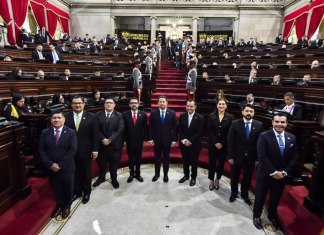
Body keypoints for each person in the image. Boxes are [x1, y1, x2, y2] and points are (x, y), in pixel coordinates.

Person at [253, 113, 298, 230]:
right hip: (265, 174)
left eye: (282, 122)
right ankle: (256, 216)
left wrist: (285, 172)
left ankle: (272, 216)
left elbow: (294, 157)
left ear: (286, 123)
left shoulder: (292, 137)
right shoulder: (264, 136)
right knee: (260, 197)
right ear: (272, 122)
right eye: (277, 122)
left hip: (282, 176)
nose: (279, 124)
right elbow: (262, 156)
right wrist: (274, 172)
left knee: (275, 198)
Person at [38, 110, 77, 220]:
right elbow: (41, 151)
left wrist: (60, 165)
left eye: (59, 118)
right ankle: (60, 205)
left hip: (67, 167)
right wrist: (50, 164)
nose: (56, 120)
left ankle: (67, 206)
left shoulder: (71, 132)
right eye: (54, 118)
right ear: (51, 120)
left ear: (64, 120)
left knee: (68, 188)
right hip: (51, 168)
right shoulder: (45, 132)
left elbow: (72, 150)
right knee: (56, 188)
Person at [64, 96, 98, 204]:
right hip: (70, 152)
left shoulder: (92, 117)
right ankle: (77, 192)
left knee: (86, 172)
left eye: (79, 103)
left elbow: (95, 135)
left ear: (84, 104)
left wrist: (95, 149)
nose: (77, 105)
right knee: (74, 172)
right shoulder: (65, 117)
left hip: (86, 150)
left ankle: (87, 192)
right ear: (71, 104)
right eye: (75, 103)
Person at [227, 104, 263, 205]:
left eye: (251, 111)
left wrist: (257, 159)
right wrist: (230, 156)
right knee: (234, 176)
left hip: (251, 158)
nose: (248, 113)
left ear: (254, 113)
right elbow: (230, 141)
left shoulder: (259, 125)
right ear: (242, 112)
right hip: (236, 157)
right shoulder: (235, 123)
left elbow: (259, 144)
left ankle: (244, 194)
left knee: (247, 177)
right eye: (247, 111)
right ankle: (233, 193)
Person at [93, 98, 125, 189]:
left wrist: (110, 139)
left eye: (111, 103)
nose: (109, 104)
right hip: (101, 145)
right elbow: (96, 129)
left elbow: (119, 130)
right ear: (104, 104)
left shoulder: (119, 115)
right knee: (101, 164)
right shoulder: (97, 115)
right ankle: (101, 178)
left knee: (114, 165)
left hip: (115, 146)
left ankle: (114, 179)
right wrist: (103, 139)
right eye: (107, 103)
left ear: (114, 105)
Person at [149, 96, 177, 183]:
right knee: (157, 158)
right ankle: (156, 174)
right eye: (160, 101)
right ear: (157, 103)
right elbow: (150, 127)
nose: (161, 103)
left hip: (167, 140)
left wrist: (174, 140)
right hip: (156, 140)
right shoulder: (153, 113)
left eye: (163, 101)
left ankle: (165, 175)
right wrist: (150, 138)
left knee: (166, 159)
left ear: (167, 103)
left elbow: (175, 128)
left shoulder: (172, 113)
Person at [207, 99, 233, 190]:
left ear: (226, 106)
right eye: (220, 104)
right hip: (212, 145)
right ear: (217, 105)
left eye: (223, 104)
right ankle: (211, 180)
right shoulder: (211, 116)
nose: (221, 106)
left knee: (221, 163)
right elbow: (209, 130)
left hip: (224, 145)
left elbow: (230, 133)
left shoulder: (230, 117)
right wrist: (215, 142)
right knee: (212, 163)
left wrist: (222, 143)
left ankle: (217, 179)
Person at [178, 100, 204, 186]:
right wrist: (184, 140)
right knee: (185, 161)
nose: (189, 108)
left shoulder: (200, 117)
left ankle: (193, 177)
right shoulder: (182, 116)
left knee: (194, 162)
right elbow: (180, 130)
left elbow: (199, 132)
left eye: (191, 106)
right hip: (183, 143)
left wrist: (190, 141)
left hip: (195, 144)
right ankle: (186, 176)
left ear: (195, 107)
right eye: (188, 106)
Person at [122, 98, 148, 183]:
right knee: (131, 158)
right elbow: (123, 129)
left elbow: (145, 128)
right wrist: (124, 140)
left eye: (135, 103)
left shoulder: (143, 114)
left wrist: (145, 139)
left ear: (138, 104)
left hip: (139, 141)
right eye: (132, 103)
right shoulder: (124, 114)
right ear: (129, 105)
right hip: (129, 141)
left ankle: (138, 174)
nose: (134, 104)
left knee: (138, 158)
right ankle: (131, 174)